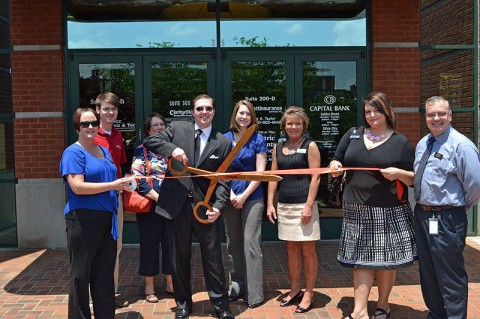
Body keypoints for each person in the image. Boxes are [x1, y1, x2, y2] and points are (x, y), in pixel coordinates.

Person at [143, 94, 235, 319]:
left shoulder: (222, 141)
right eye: (200, 108)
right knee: (178, 257)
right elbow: (149, 142)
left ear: (214, 111)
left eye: (209, 109)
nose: (204, 112)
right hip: (176, 206)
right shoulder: (177, 129)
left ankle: (221, 305)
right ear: (193, 111)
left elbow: (223, 180)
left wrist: (219, 207)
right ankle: (183, 302)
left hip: (205, 208)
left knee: (213, 258)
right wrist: (171, 149)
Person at [329, 92, 417, 319]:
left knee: (384, 262)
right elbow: (337, 158)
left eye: (376, 110)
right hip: (355, 208)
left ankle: (383, 305)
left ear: (386, 111)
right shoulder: (353, 134)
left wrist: (399, 173)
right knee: (361, 261)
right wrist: (336, 165)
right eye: (368, 111)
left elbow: (414, 179)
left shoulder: (401, 142)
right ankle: (359, 311)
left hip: (387, 210)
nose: (371, 115)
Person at [60, 107, 134, 319]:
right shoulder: (73, 153)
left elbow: (110, 178)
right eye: (85, 124)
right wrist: (112, 185)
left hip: (106, 220)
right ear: (78, 127)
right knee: (81, 276)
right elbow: (77, 187)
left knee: (104, 276)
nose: (90, 127)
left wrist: (123, 184)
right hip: (83, 220)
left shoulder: (104, 150)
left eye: (93, 122)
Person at [413, 96, 480, 319]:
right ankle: (436, 314)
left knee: (450, 274)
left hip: (448, 217)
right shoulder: (424, 143)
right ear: (426, 117)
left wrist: (457, 207)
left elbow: (475, 185)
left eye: (441, 114)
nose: (436, 118)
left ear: (450, 116)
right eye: (431, 114)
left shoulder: (461, 146)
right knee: (429, 271)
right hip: (423, 215)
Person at [266, 106, 321, 314]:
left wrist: (308, 206)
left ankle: (309, 292)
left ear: (304, 125)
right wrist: (271, 203)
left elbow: (316, 177)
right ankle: (295, 288)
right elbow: (273, 178)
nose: (293, 126)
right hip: (285, 205)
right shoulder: (278, 147)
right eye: (290, 123)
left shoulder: (310, 146)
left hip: (304, 205)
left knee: (308, 251)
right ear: (284, 126)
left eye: (298, 123)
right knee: (291, 250)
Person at [223, 100, 268, 309]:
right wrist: (231, 194)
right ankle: (236, 287)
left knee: (251, 243)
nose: (244, 117)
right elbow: (221, 172)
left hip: (253, 196)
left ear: (252, 118)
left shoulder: (258, 139)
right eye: (241, 113)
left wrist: (244, 196)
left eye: (248, 114)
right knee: (233, 243)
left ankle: (255, 293)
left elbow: (260, 172)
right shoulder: (224, 139)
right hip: (230, 196)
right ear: (235, 115)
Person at [130, 113, 173, 303]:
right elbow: (137, 179)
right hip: (150, 206)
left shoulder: (172, 149)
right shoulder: (142, 149)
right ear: (148, 130)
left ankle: (171, 282)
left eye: (162, 124)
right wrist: (158, 198)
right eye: (155, 125)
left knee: (171, 244)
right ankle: (149, 286)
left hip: (171, 205)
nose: (159, 128)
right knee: (149, 245)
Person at [94, 92, 129, 308]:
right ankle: (96, 294)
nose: (110, 112)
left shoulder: (117, 136)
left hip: (115, 197)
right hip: (96, 199)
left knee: (115, 247)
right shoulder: (90, 135)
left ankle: (110, 294)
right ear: (98, 110)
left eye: (113, 109)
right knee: (97, 247)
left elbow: (120, 166)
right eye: (106, 108)